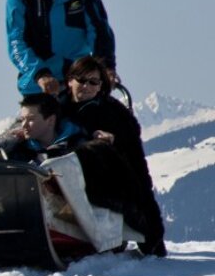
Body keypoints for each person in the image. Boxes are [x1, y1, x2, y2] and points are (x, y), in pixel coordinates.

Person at [63, 56, 166, 256]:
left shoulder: (114, 115)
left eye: (93, 82)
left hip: (109, 178)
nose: (86, 86)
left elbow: (136, 164)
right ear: (70, 81)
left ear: (101, 85)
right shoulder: (58, 109)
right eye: (81, 80)